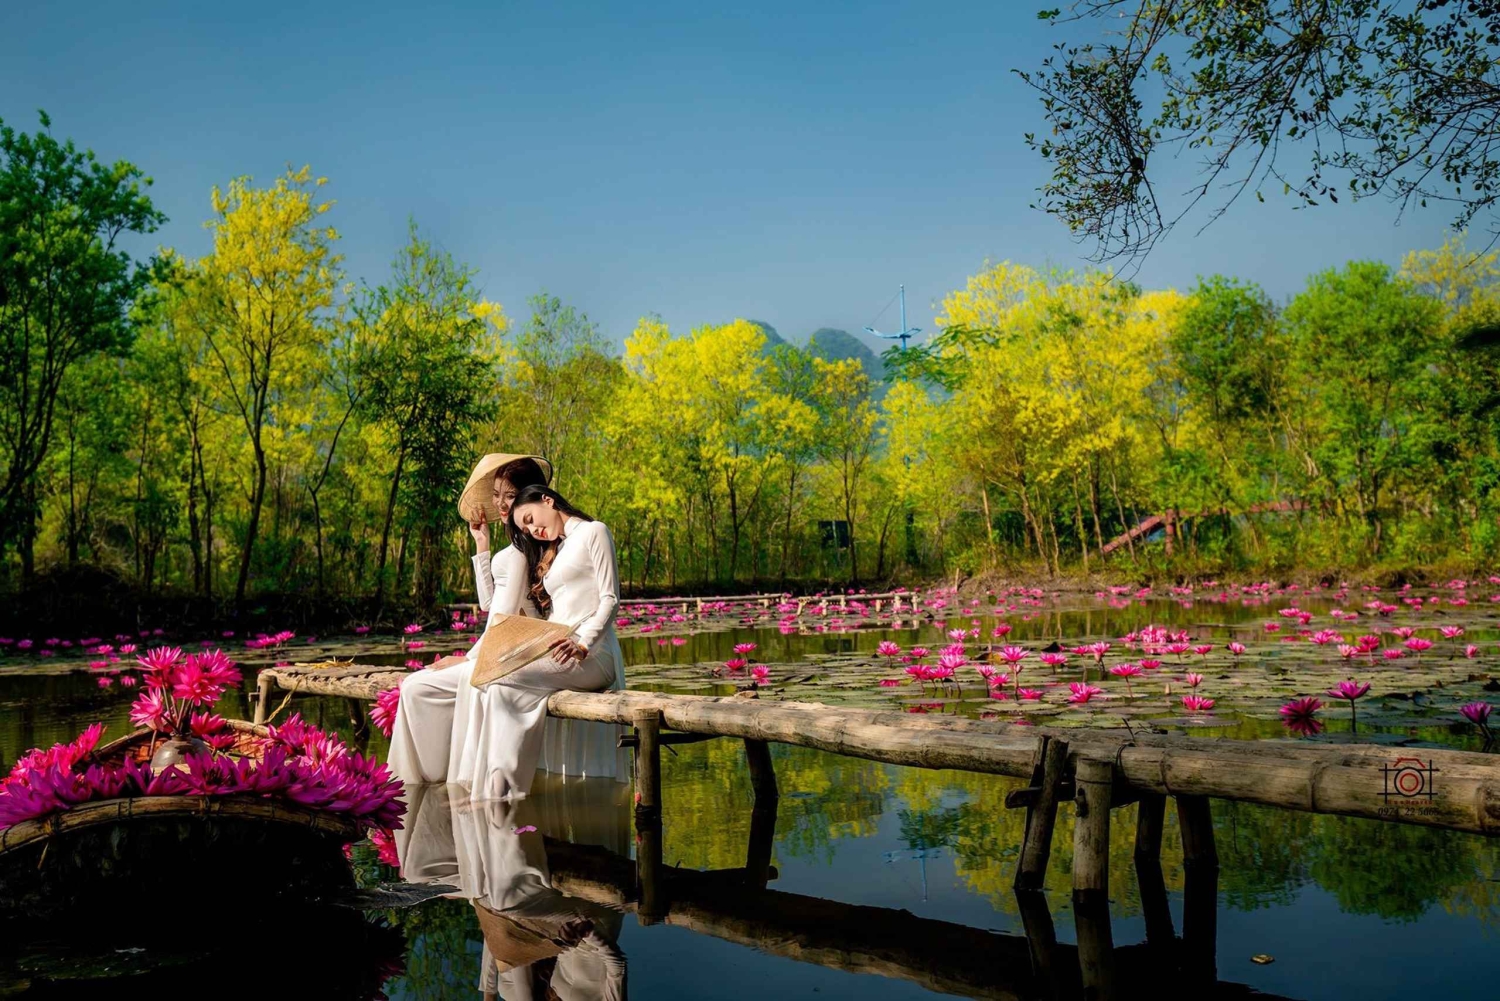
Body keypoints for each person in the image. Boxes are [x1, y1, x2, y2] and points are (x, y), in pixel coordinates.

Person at [450, 485, 625, 801]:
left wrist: (584, 643)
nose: (533, 530)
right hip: (559, 652)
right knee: (495, 681)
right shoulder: (559, 551)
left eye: (530, 519)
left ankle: (498, 791)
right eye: (526, 529)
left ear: (548, 499)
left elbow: (610, 598)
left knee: (497, 676)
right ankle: (495, 789)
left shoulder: (594, 532)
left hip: (593, 656)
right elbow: (525, 609)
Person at [387, 453, 549, 786]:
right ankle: (426, 777)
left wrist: (468, 657)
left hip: (507, 654)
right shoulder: (518, 546)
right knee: (418, 687)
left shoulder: (519, 551)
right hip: (505, 649)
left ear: (527, 495)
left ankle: (422, 780)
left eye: (509, 495)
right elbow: (490, 603)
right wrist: (482, 545)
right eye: (496, 495)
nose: (501, 503)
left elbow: (502, 618)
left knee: (416, 688)